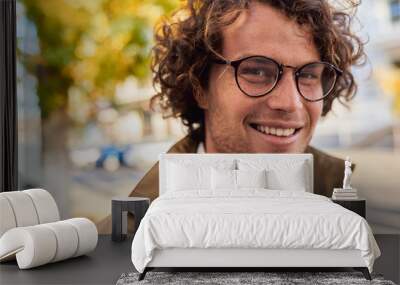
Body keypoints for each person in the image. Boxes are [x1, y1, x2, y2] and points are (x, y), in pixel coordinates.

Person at [97, 0, 363, 233]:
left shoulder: (354, 218)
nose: (290, 103)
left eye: (307, 75)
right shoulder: (115, 241)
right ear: (200, 87)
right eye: (257, 71)